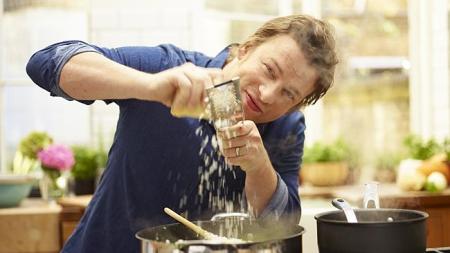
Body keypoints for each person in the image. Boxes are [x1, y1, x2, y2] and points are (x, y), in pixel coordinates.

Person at [26, 14, 338, 253]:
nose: (269, 94)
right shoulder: (169, 66)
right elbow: (47, 62)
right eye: (270, 70)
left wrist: (259, 168)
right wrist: (148, 86)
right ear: (246, 49)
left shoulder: (285, 127)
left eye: (288, 94)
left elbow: (283, 225)